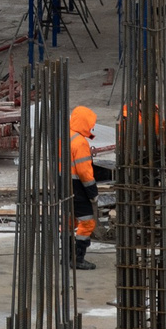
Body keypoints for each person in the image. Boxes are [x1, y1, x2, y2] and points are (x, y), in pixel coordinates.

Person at [68, 105, 99, 270]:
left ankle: (66, 256)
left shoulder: (64, 136)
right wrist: (93, 193)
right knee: (87, 222)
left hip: (62, 184)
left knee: (69, 220)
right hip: (77, 187)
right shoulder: (79, 142)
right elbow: (84, 173)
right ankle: (77, 259)